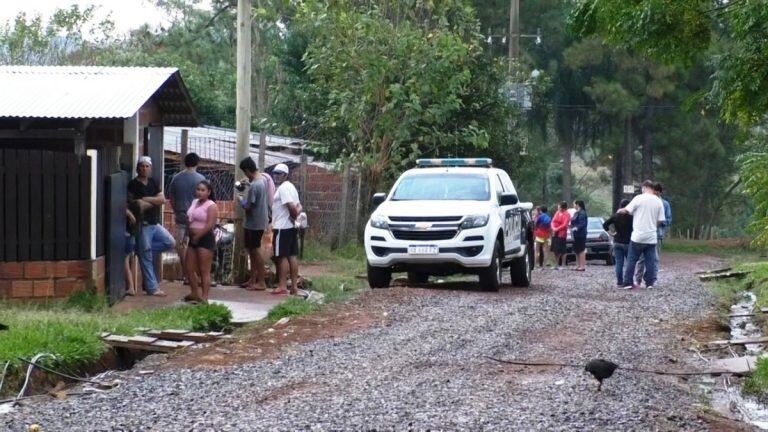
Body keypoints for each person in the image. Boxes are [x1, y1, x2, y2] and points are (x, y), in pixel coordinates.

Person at [128, 156, 175, 297]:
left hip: (155, 223)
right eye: (142, 166)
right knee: (147, 257)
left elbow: (162, 200)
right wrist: (153, 202)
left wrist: (146, 200)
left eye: (147, 166)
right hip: (143, 224)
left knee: (170, 242)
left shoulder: (153, 182)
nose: (144, 168)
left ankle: (139, 250)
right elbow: (136, 205)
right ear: (137, 168)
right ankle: (152, 288)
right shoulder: (133, 184)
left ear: (151, 168)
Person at [619, 180, 666, 290]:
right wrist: (653, 227)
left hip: (638, 236)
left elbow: (627, 210)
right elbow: (661, 220)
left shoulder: (638, 198)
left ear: (644, 187)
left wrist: (620, 210)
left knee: (632, 259)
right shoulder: (658, 201)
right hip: (651, 237)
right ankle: (649, 283)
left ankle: (628, 282)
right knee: (650, 261)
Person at [168, 153, 205, 282]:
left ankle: (186, 273)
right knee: (193, 246)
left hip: (180, 216)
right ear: (197, 163)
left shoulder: (176, 178)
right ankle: (194, 274)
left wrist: (176, 211)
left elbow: (171, 199)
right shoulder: (201, 179)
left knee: (181, 246)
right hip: (196, 220)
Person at [271, 163, 302, 296]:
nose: (276, 176)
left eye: (279, 173)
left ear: (285, 175)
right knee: (292, 256)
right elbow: (299, 205)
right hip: (290, 227)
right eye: (275, 173)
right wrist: (295, 218)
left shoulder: (283, 188)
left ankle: (282, 285)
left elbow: (292, 206)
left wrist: (293, 216)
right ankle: (294, 286)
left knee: (281, 257)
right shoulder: (291, 187)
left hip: (282, 227)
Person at [185, 180, 219, 303]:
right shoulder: (194, 202)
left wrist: (198, 236)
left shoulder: (211, 205)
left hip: (204, 238)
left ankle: (204, 297)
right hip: (192, 238)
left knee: (204, 270)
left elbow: (210, 224)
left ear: (208, 192)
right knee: (189, 267)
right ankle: (194, 292)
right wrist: (188, 234)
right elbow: (189, 218)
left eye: (202, 190)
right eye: (198, 189)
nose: (199, 192)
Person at [238, 157, 269, 291]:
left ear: (247, 170)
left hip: (254, 223)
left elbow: (249, 206)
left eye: (245, 173)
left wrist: (240, 199)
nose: (246, 176)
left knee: (255, 252)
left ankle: (261, 281)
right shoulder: (261, 181)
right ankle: (253, 279)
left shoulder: (255, 186)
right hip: (258, 221)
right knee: (252, 251)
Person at [634, 182, 673, 284]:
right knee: (642, 258)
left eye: (655, 192)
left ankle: (652, 279)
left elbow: (668, 219)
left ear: (659, 192)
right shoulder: (645, 201)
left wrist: (659, 222)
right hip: (645, 233)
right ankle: (638, 279)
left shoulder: (665, 204)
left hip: (657, 235)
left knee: (654, 259)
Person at [603, 199, 633, 287]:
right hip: (628, 242)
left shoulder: (616, 216)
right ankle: (628, 280)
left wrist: (611, 233)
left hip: (617, 241)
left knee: (619, 262)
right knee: (629, 262)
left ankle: (619, 281)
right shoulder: (631, 217)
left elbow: (605, 224)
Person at [550, 202, 571, 270]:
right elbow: (553, 221)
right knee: (555, 249)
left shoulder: (567, 214)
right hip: (555, 233)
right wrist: (553, 227)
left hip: (561, 234)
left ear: (563, 207)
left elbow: (565, 224)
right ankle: (556, 264)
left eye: (559, 207)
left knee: (562, 250)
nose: (558, 208)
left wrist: (557, 228)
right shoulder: (557, 212)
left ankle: (563, 265)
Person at [570, 200, 588, 271]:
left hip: (581, 234)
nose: (573, 205)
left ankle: (582, 266)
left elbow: (582, 224)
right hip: (575, 234)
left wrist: (576, 228)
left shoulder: (582, 213)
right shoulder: (576, 213)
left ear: (578, 204)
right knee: (576, 250)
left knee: (581, 250)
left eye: (574, 204)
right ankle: (578, 265)